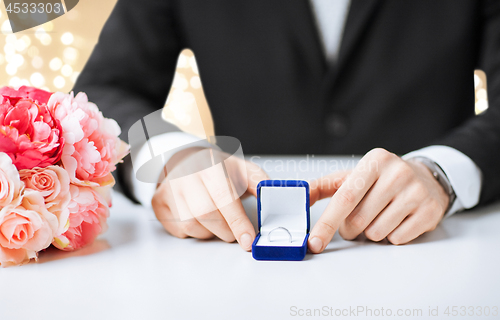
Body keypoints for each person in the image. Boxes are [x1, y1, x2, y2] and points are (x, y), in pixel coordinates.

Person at [73, 0, 500, 254]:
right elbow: (107, 87)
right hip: (232, 260)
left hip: (439, 249)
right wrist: (170, 157)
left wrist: (443, 173)